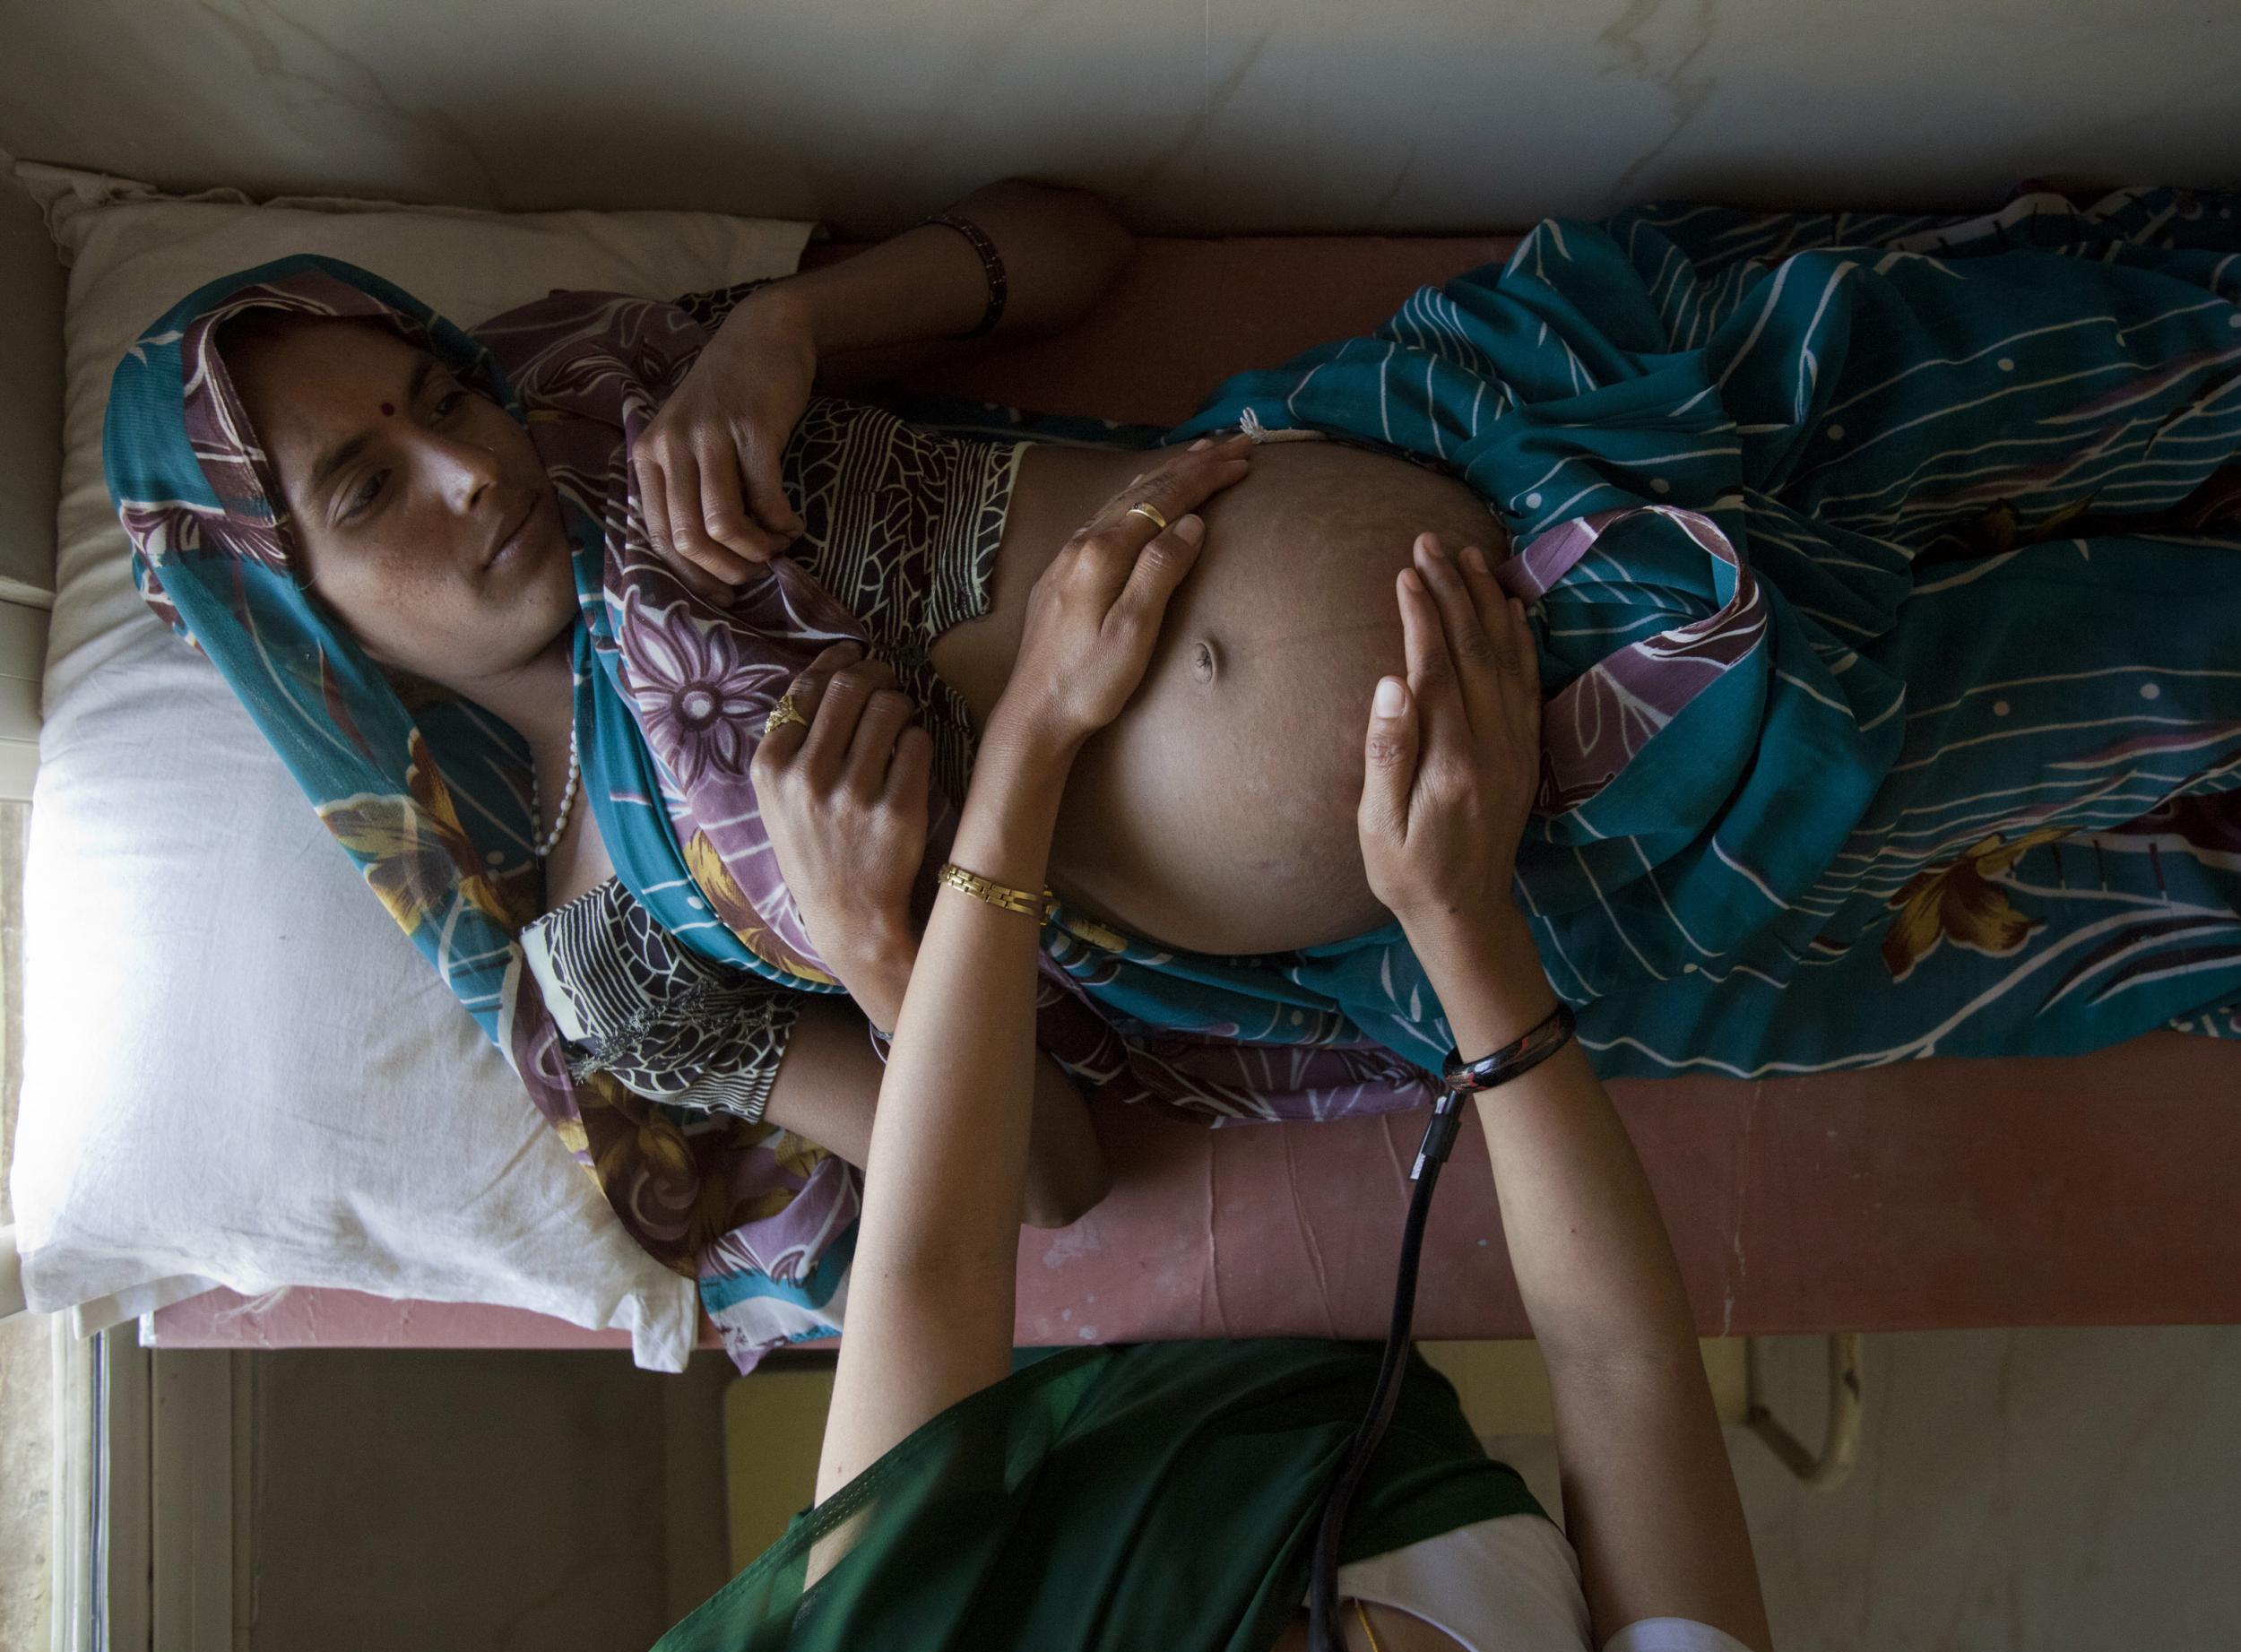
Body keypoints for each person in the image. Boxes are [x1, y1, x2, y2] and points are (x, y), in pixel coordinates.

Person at [105, 182, 2241, 1362]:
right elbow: (1040, 1181)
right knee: (2163, 672)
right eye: (367, 488)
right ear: (293, 616)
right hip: (1559, 827)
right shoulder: (611, 962)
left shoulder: (641, 405)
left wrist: (785, 323)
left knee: (2139, 359)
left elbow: (1071, 247)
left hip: (1540, 438)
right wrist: (880, 945)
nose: (469, 469)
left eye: (436, 393)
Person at [645, 489, 1779, 1652]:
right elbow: (1621, 1361)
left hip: (1046, 1340)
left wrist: (1034, 734)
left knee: (645, 922)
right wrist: (1467, 929)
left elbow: (933, 1265)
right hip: (1286, 1320)